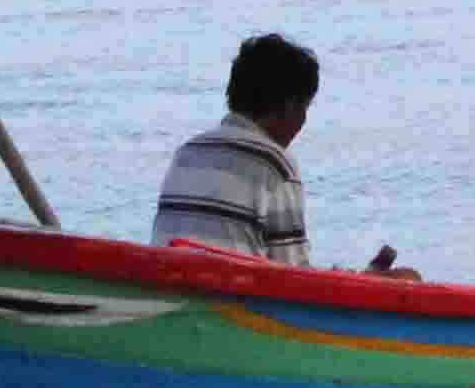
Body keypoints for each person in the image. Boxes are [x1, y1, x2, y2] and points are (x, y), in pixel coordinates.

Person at [152, 31, 413, 274]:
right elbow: (292, 274)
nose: (303, 122)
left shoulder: (187, 153)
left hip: (176, 289)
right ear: (289, 107)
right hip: (232, 300)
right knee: (409, 278)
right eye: (305, 108)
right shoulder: (274, 164)